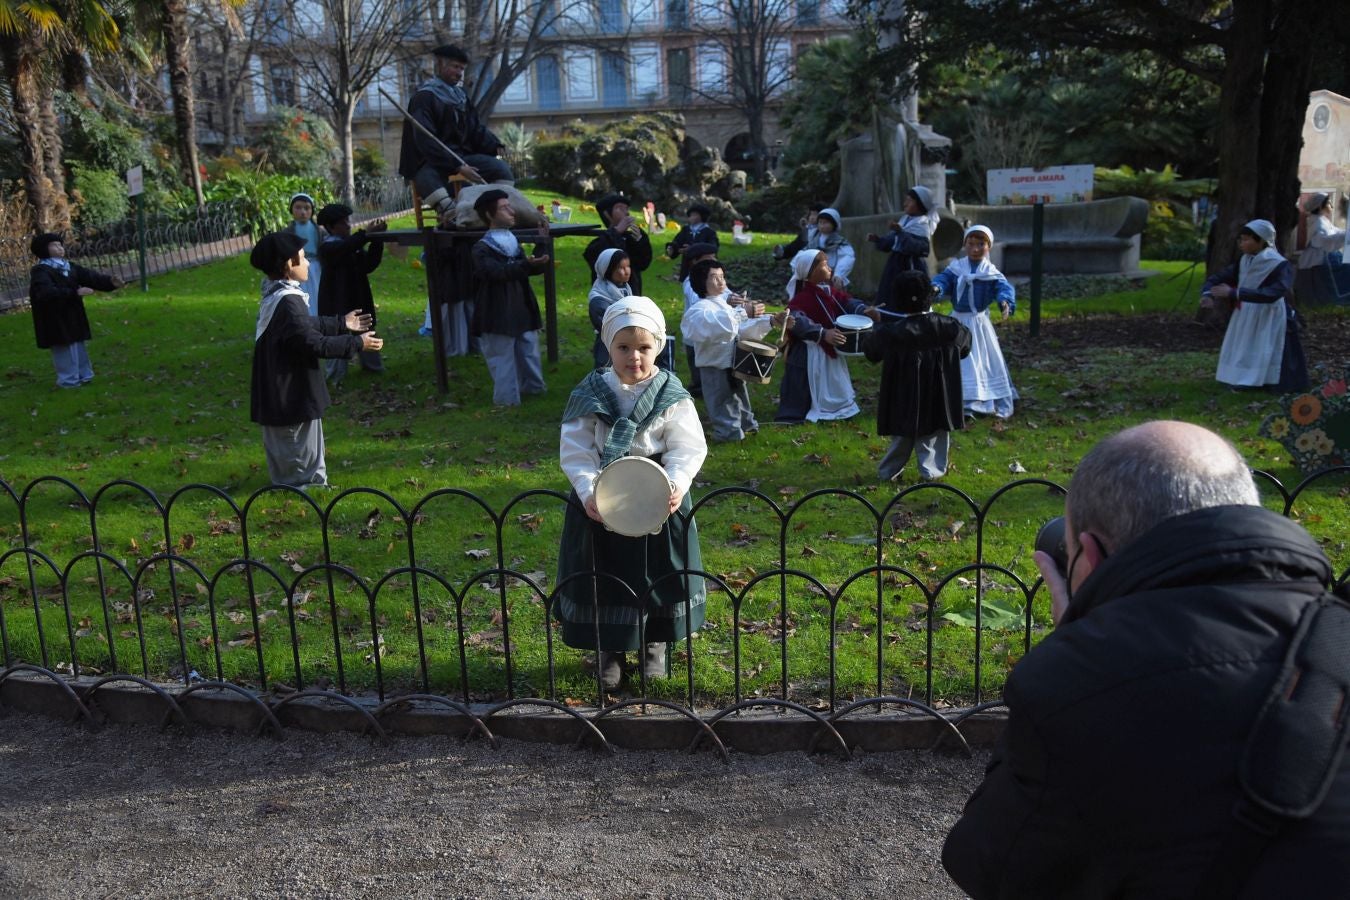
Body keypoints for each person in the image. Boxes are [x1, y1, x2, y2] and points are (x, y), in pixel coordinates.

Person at [942, 420, 1350, 899]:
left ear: (1089, 555)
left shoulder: (1079, 685)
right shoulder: (1336, 634)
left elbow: (987, 864)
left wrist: (1078, 641)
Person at [555, 296, 707, 690]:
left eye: (643, 347)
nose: (634, 357)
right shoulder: (591, 393)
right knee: (605, 576)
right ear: (609, 347)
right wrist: (589, 491)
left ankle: (654, 644)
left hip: (656, 497)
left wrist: (676, 483)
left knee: (658, 572)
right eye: (623, 347)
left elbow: (687, 446)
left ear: (658, 346)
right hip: (603, 498)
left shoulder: (669, 394)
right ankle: (610, 648)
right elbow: (577, 450)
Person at [248, 232, 382, 489]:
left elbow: (303, 325)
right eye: (302, 258)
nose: (308, 263)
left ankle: (296, 485)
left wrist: (341, 323)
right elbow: (313, 343)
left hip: (282, 388)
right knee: (297, 450)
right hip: (290, 392)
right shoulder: (287, 301)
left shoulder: (279, 295)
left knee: (294, 447)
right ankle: (305, 488)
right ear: (289, 265)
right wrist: (357, 343)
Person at [862, 270, 971, 482]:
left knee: (901, 434)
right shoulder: (949, 327)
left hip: (902, 394)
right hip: (938, 393)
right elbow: (965, 348)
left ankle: (888, 471)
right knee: (935, 431)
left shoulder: (892, 332)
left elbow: (872, 352)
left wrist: (874, 325)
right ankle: (932, 471)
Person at [397, 43, 512, 223]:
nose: (459, 73)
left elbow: (475, 128)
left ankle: (495, 209)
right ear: (440, 65)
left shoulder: (461, 97)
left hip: (461, 156)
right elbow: (425, 140)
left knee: (500, 169)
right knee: (425, 177)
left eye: (462, 69)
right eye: (455, 67)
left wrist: (494, 145)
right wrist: (457, 166)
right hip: (431, 161)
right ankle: (451, 214)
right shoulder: (423, 98)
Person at [681, 259, 787, 443]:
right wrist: (743, 312)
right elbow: (716, 327)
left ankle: (747, 426)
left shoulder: (724, 306)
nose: (721, 281)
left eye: (722, 277)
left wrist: (770, 321)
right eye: (714, 277)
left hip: (735, 361)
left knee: (739, 395)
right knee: (721, 400)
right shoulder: (698, 309)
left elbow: (740, 330)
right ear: (701, 282)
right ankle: (728, 433)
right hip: (713, 366)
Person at [1202, 218, 1306, 391]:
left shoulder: (1278, 264)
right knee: (1245, 346)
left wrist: (1235, 293)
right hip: (1246, 312)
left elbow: (1274, 293)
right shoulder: (1244, 261)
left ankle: (1267, 382)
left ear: (1261, 241)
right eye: (1241, 239)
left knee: (1266, 347)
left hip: (1269, 314)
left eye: (1246, 239)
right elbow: (1218, 278)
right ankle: (1242, 379)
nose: (1241, 244)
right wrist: (1207, 294)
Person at [776, 249, 877, 423]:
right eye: (824, 265)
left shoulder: (828, 292)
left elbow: (846, 301)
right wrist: (822, 333)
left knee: (833, 380)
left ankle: (835, 407)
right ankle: (803, 409)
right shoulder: (802, 298)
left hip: (829, 348)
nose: (830, 268)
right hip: (808, 353)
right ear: (810, 271)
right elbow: (796, 320)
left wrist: (863, 309)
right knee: (803, 386)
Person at [470, 189, 550, 406]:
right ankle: (507, 401)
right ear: (490, 214)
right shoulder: (481, 248)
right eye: (504, 208)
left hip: (520, 304)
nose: (512, 211)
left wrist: (542, 244)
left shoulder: (511, 241)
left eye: (510, 206)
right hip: (496, 309)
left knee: (528, 349)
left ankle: (534, 390)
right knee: (502, 355)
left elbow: (527, 268)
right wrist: (526, 264)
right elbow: (494, 272)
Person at [933, 225, 1018, 418]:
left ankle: (978, 399)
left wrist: (1005, 301)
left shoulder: (990, 272)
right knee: (957, 358)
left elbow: (1003, 287)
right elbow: (943, 279)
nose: (975, 249)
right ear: (965, 245)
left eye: (981, 244)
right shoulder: (957, 268)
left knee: (981, 359)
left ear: (989, 246)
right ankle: (955, 398)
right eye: (971, 244)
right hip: (957, 321)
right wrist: (936, 288)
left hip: (978, 325)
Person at [28, 232, 124, 388]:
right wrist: (74, 292)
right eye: (54, 245)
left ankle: (84, 375)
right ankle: (68, 380)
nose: (60, 248)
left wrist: (109, 282)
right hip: (54, 317)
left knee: (78, 345)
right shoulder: (41, 271)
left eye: (60, 245)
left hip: (72, 314)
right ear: (44, 249)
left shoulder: (69, 267)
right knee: (64, 348)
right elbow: (45, 292)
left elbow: (90, 277)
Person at [315, 204, 387, 383]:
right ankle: (335, 377)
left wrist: (377, 240)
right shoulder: (328, 248)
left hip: (357, 297)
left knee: (366, 330)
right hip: (336, 301)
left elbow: (368, 265)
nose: (348, 225)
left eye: (348, 221)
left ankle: (373, 367)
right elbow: (345, 247)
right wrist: (365, 234)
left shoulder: (352, 245)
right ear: (331, 227)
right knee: (338, 337)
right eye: (343, 223)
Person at [866, 185, 938, 301]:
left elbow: (920, 248)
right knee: (890, 294)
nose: (905, 204)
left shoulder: (922, 225)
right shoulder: (905, 220)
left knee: (908, 294)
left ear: (920, 204)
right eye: (906, 200)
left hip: (910, 267)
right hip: (895, 265)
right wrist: (878, 240)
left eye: (910, 201)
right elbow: (894, 241)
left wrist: (901, 232)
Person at [582, 193, 654, 295]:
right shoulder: (602, 241)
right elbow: (594, 256)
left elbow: (643, 263)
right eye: (620, 208)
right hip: (606, 296)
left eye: (627, 209)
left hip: (632, 295)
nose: (626, 213)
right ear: (607, 214)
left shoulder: (632, 237)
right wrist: (616, 232)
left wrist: (640, 241)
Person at [1294, 192, 1347, 304]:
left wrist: (1345, 234)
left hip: (1327, 256)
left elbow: (1336, 232)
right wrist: (1345, 236)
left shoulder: (1322, 220)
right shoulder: (1316, 222)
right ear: (1320, 206)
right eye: (1328, 203)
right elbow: (1322, 241)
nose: (1331, 205)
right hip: (1319, 260)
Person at [281, 193, 323, 315]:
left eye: (306, 208)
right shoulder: (288, 231)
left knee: (318, 290)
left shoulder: (319, 230)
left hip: (317, 266)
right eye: (298, 208)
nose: (303, 212)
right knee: (302, 290)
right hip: (298, 265)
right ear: (292, 210)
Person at [810, 207, 855, 290]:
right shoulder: (813, 241)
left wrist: (839, 274)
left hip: (832, 277)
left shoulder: (840, 242)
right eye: (820, 222)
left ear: (834, 224)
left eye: (826, 223)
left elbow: (847, 257)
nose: (822, 225)